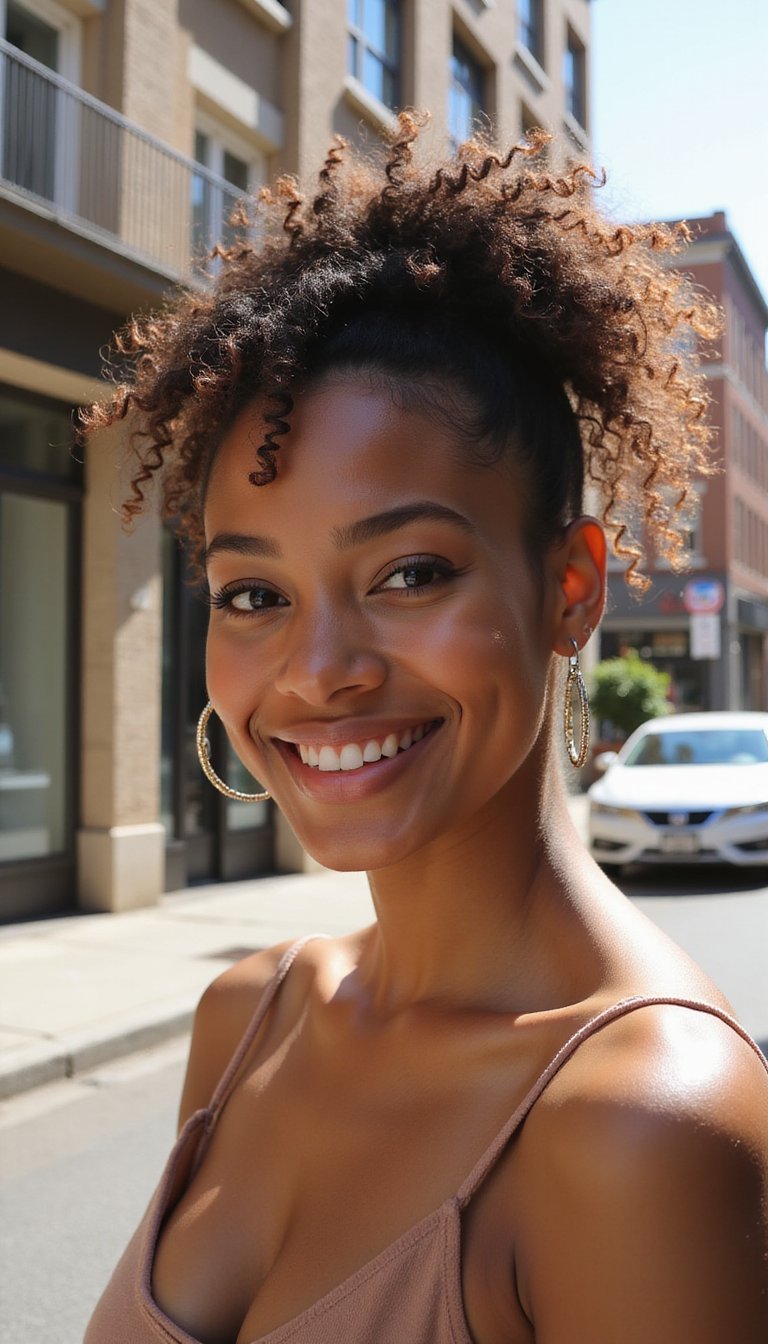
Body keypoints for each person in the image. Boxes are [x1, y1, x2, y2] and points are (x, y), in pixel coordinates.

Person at [83, 116, 768, 1344]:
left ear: (571, 587)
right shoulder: (250, 1017)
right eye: (255, 594)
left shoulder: (644, 1121)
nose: (319, 671)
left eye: (407, 572)